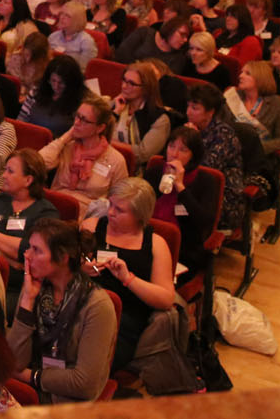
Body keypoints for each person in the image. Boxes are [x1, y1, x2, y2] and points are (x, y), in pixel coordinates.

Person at [8, 218, 116, 403]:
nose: (27, 256)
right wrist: (27, 300)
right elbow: (13, 361)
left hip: (68, 403)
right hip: (30, 394)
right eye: (29, 248)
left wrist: (30, 376)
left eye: (37, 250)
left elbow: (85, 384)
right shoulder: (35, 289)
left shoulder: (97, 306)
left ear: (63, 258)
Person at [88, 177, 176, 369]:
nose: (110, 212)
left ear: (139, 215)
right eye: (111, 204)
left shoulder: (156, 244)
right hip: (84, 306)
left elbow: (166, 299)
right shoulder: (91, 227)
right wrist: (81, 268)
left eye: (119, 210)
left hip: (123, 321)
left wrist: (128, 279)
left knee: (90, 358)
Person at [0, 149, 60, 281]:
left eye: (10, 171)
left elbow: (31, 252)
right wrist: (8, 261)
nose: (4, 175)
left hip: (17, 284)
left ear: (28, 180)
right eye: (5, 170)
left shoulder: (46, 213)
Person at [140, 126, 218, 273]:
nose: (174, 154)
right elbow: (138, 206)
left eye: (183, 150)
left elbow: (204, 222)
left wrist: (180, 187)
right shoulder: (155, 172)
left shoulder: (205, 181)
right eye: (171, 146)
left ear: (193, 156)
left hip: (184, 249)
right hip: (146, 239)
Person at [183, 84, 245, 233]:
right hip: (191, 186)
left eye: (195, 108)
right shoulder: (187, 127)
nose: (188, 112)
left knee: (184, 211)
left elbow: (206, 169)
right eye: (188, 106)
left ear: (210, 112)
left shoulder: (223, 134)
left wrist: (193, 141)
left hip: (221, 195)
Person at [111, 61, 172, 166]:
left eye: (132, 84)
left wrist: (107, 143)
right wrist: (115, 113)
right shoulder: (116, 103)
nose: (124, 86)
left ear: (145, 88)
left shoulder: (160, 118)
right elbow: (97, 131)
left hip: (134, 171)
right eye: (124, 80)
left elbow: (142, 154)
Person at [225, 59, 280, 155]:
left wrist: (256, 148)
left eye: (247, 73)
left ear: (260, 78)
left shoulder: (277, 103)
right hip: (230, 150)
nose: (240, 76)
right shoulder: (232, 97)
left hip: (259, 155)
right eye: (241, 72)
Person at [19, 56, 87, 139]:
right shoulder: (35, 93)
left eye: (61, 83)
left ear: (71, 83)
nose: (56, 86)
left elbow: (78, 136)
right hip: (30, 140)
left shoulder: (80, 102)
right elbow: (21, 121)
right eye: (53, 81)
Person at [46, 2, 98, 71]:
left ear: (77, 20)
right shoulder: (53, 37)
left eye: (67, 16)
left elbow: (85, 69)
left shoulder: (86, 42)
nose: (62, 18)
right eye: (61, 13)